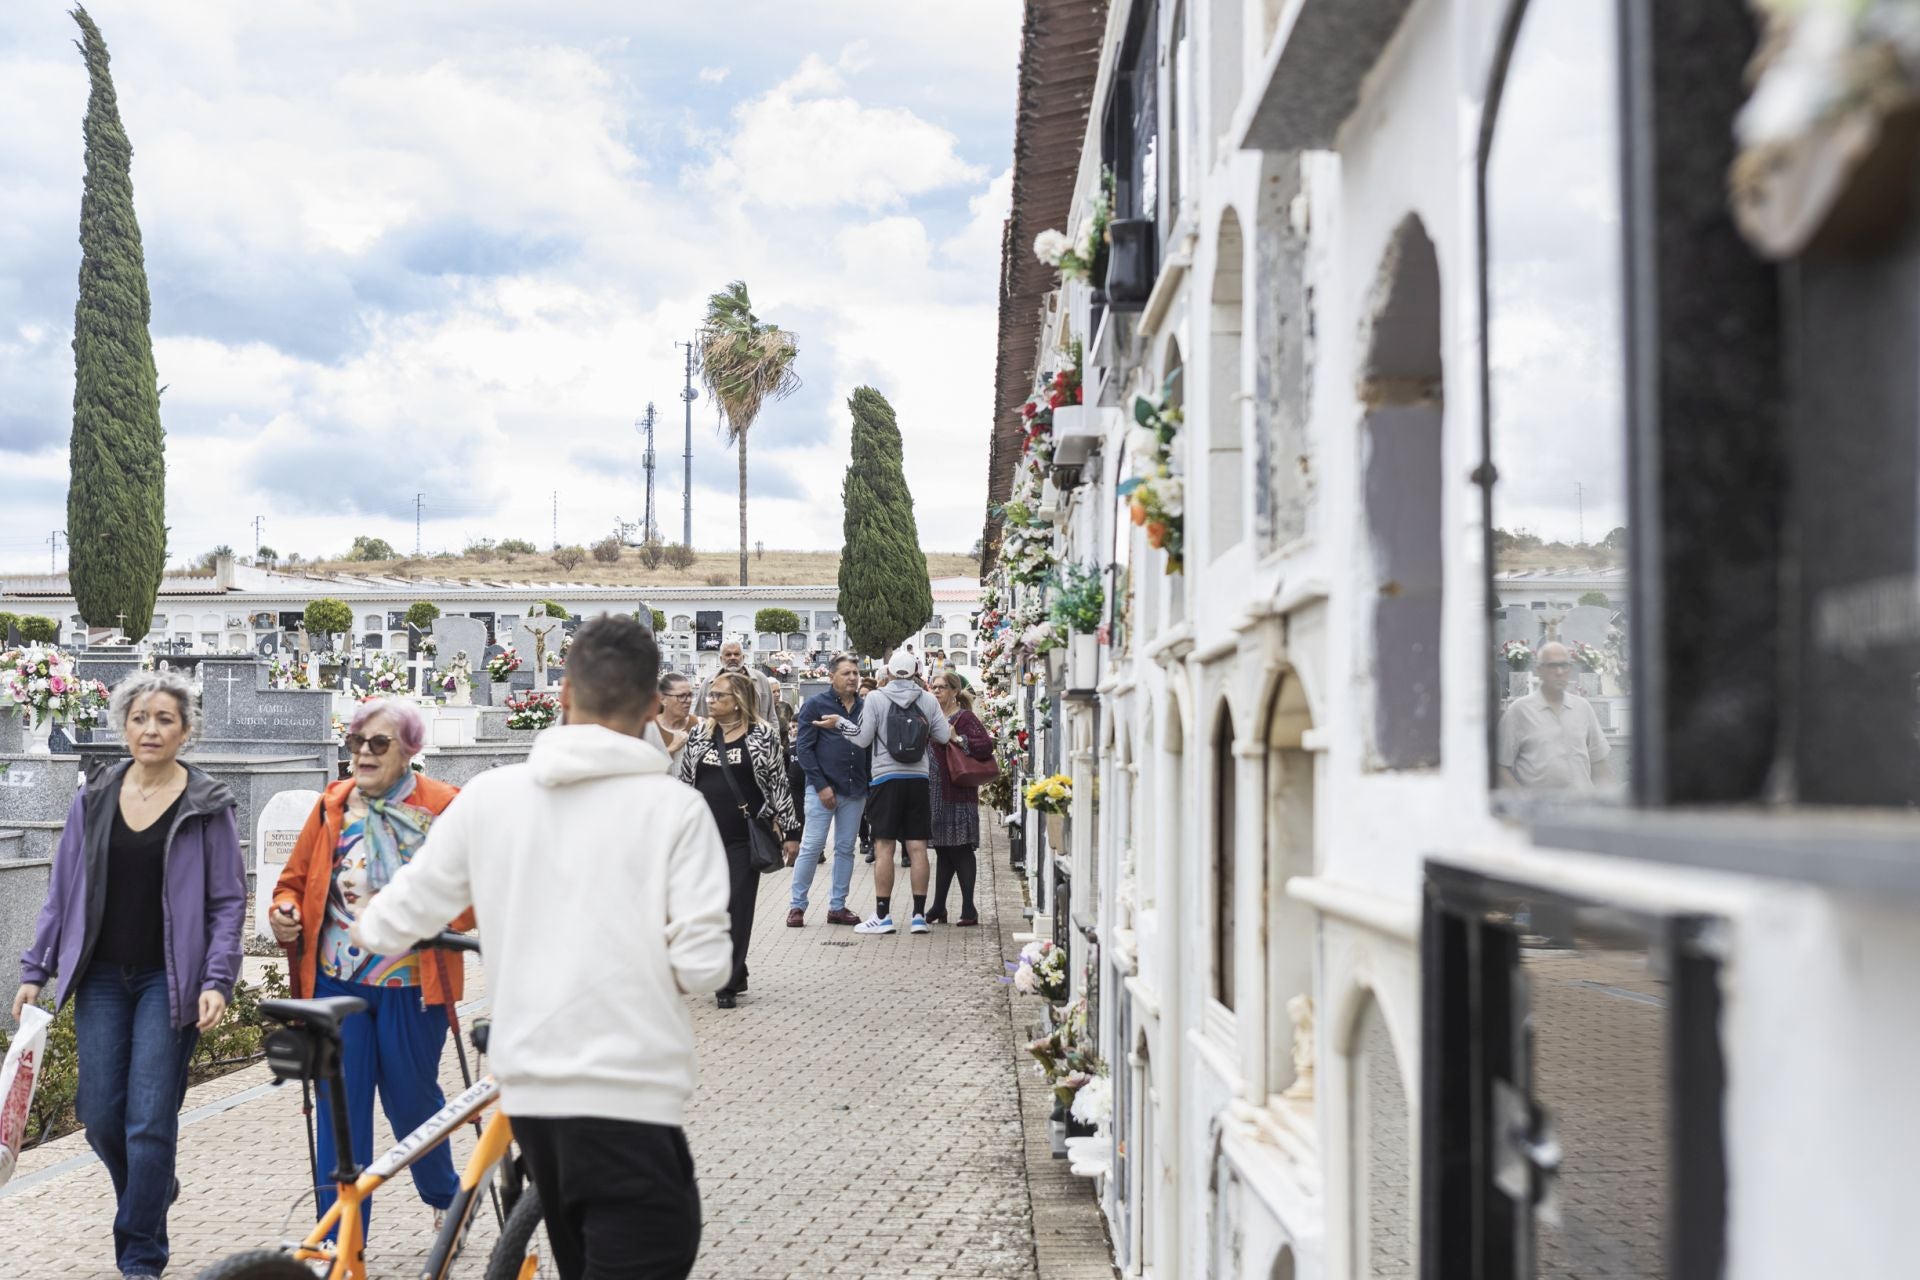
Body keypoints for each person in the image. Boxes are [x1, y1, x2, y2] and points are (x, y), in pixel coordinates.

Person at [351, 614, 731, 1280]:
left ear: (561, 694)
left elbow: (389, 924)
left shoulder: (491, 798)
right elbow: (705, 966)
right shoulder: (673, 809)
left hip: (533, 1100)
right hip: (630, 1096)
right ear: (651, 706)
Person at [15, 670, 246, 1280]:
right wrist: (36, 968)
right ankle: (152, 1187)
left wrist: (217, 979)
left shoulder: (207, 804)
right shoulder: (92, 798)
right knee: (99, 1113)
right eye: (140, 718)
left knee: (149, 1120)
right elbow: (62, 891)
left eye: (165, 719)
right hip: (98, 980)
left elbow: (227, 901)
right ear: (123, 725)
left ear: (186, 731)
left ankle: (140, 1254)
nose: (151, 729)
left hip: (167, 982)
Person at [268, 698, 474, 1237]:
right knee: (341, 1107)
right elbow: (293, 882)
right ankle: (338, 1237)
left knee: (413, 1101)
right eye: (356, 741)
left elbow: (471, 895)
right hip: (337, 983)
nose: (362, 752)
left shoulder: (443, 807)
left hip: (412, 984)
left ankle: (445, 1195)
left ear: (408, 751)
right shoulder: (330, 807)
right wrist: (284, 913)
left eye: (377, 743)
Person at [678, 669, 801, 1005]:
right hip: (702, 838)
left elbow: (778, 785)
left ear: (739, 702)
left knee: (736, 907)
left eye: (719, 695)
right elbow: (685, 783)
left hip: (742, 838)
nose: (710, 700)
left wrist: (792, 832)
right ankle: (735, 967)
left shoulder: (763, 735)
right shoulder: (700, 735)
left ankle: (727, 983)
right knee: (707, 908)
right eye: (710, 695)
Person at [812, 647, 953, 935]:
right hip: (918, 779)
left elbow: (862, 739)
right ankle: (918, 916)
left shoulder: (876, 697)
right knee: (917, 848)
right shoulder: (927, 699)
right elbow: (941, 735)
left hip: (885, 779)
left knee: (884, 847)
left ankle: (883, 915)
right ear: (916, 671)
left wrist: (840, 724)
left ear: (887, 672)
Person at [789, 655, 869, 927]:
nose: (852, 678)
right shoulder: (815, 705)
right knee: (811, 847)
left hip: (855, 789)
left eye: (855, 673)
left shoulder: (865, 707)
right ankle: (797, 906)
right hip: (821, 788)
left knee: (846, 848)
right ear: (832, 677)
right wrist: (821, 785)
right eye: (846, 673)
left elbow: (869, 745)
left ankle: (837, 906)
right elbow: (804, 749)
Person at [1495, 640, 1614, 790]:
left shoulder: (1583, 708)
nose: (1559, 672)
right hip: (1541, 809)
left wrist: (1608, 803)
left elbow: (1600, 764)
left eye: (1564, 665)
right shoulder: (1519, 710)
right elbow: (1500, 766)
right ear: (1539, 670)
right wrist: (1523, 800)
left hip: (1582, 807)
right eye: (1552, 666)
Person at [925, 672, 994, 926]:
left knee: (961, 849)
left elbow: (985, 746)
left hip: (958, 792)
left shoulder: (964, 717)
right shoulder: (933, 717)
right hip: (935, 793)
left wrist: (958, 738)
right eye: (934, 687)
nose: (937, 691)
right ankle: (939, 907)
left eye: (942, 687)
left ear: (954, 691)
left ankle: (968, 908)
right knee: (943, 851)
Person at [695, 639, 772, 718]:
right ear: (721, 659)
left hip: (756, 729)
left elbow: (772, 716)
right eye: (728, 654)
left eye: (736, 654)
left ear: (743, 657)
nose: (732, 658)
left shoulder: (760, 679)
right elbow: (699, 716)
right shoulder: (708, 683)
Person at [656, 671, 696, 772]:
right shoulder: (648, 728)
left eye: (690, 695)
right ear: (662, 699)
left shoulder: (698, 726)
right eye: (681, 696)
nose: (688, 700)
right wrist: (672, 748)